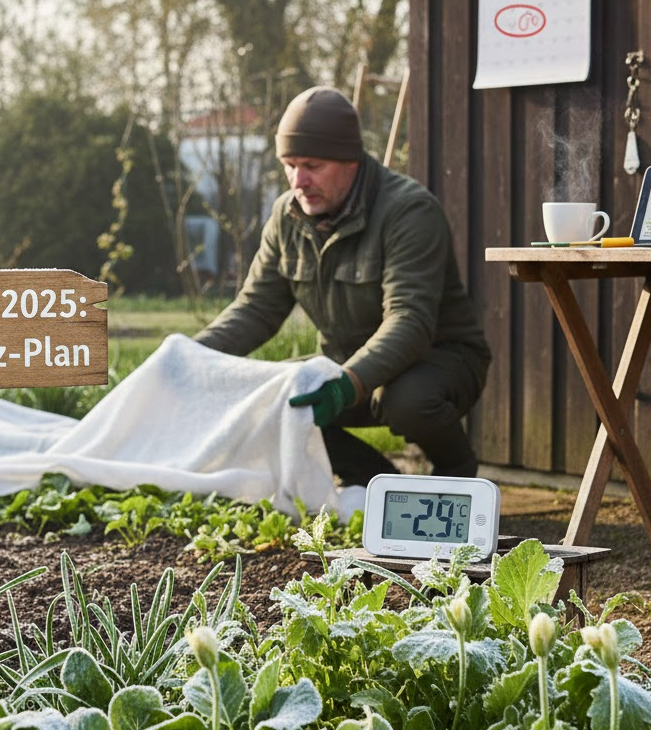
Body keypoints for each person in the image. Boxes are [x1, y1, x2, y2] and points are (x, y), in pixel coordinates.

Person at [193, 85, 491, 486]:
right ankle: (378, 483)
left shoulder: (409, 211)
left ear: (350, 160)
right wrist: (188, 358)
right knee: (272, 399)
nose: (298, 180)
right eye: (289, 164)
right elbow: (256, 309)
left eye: (312, 165)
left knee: (405, 400)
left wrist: (347, 384)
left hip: (440, 361)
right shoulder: (287, 216)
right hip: (344, 367)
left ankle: (457, 469)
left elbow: (410, 320)